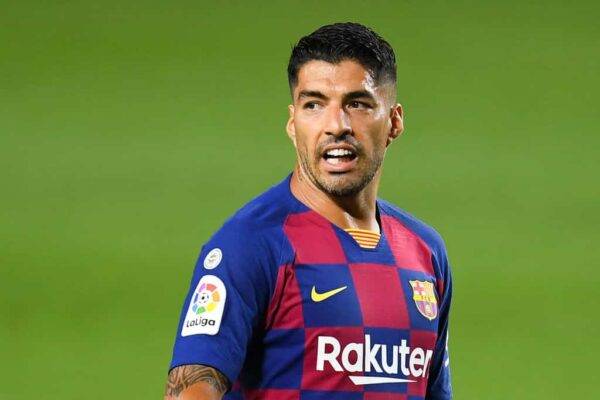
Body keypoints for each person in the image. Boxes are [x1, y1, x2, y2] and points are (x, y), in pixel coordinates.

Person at [165, 22, 453, 400]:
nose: (336, 125)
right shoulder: (252, 243)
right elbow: (190, 389)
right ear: (292, 123)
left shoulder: (425, 252)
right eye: (314, 104)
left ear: (393, 121)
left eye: (357, 104)